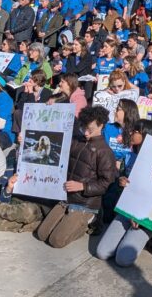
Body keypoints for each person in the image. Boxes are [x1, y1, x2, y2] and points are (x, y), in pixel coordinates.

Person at [34, 105, 118, 248]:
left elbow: (107, 183)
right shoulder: (75, 141)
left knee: (57, 241)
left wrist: (83, 186)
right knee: (41, 234)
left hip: (85, 204)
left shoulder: (104, 151)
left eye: (90, 130)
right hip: (66, 198)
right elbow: (52, 146)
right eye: (83, 128)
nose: (85, 132)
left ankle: (92, 220)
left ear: (101, 125)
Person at [94, 119, 152, 267]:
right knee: (102, 252)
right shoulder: (129, 156)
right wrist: (121, 181)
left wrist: (141, 217)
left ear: (145, 134)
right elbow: (121, 183)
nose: (130, 133)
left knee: (122, 259)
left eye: (135, 131)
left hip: (145, 216)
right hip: (126, 210)